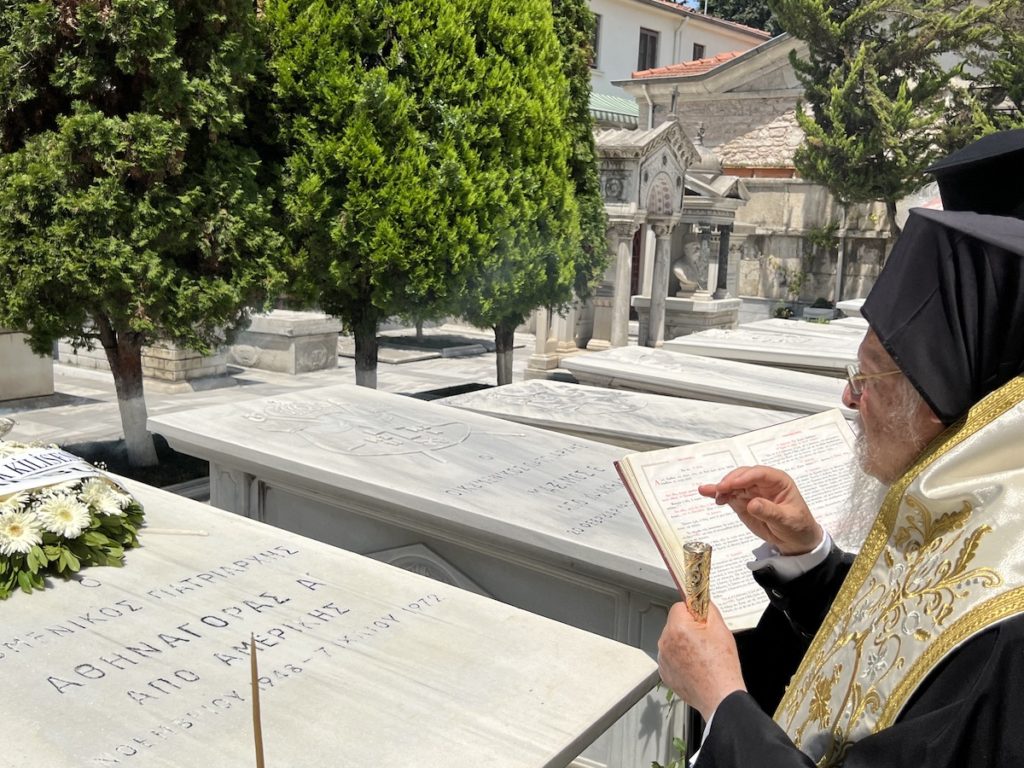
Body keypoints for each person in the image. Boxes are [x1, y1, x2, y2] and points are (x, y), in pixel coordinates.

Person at [656, 132, 1024, 767]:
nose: (850, 398)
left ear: (940, 403)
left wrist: (720, 702)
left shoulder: (1006, 634)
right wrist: (811, 559)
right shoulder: (986, 512)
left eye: (868, 375)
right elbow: (904, 643)